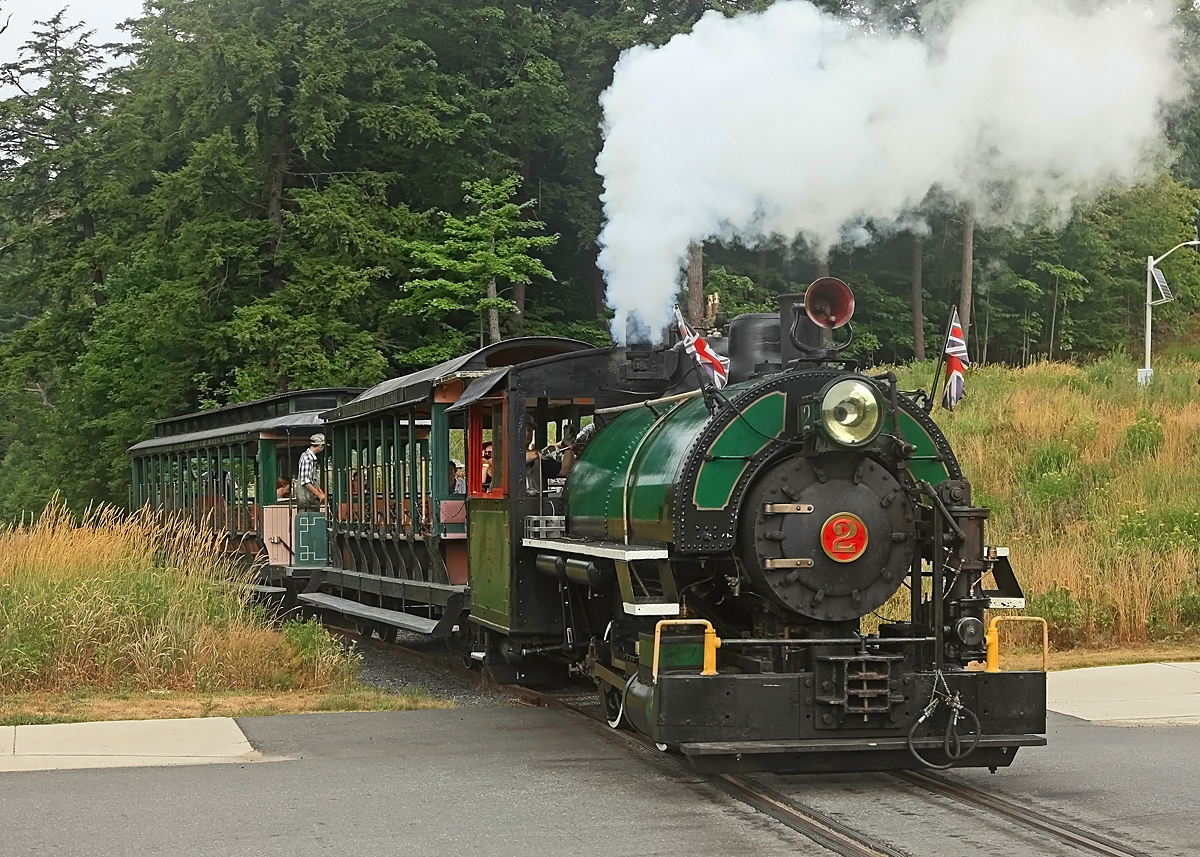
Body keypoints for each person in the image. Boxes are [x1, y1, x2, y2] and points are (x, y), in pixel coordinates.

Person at [297, 433, 327, 509]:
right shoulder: (307, 458)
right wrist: (319, 494)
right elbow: (305, 481)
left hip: (311, 501)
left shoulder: (311, 458)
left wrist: (321, 493)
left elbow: (313, 481)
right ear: (320, 446)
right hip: (306, 502)